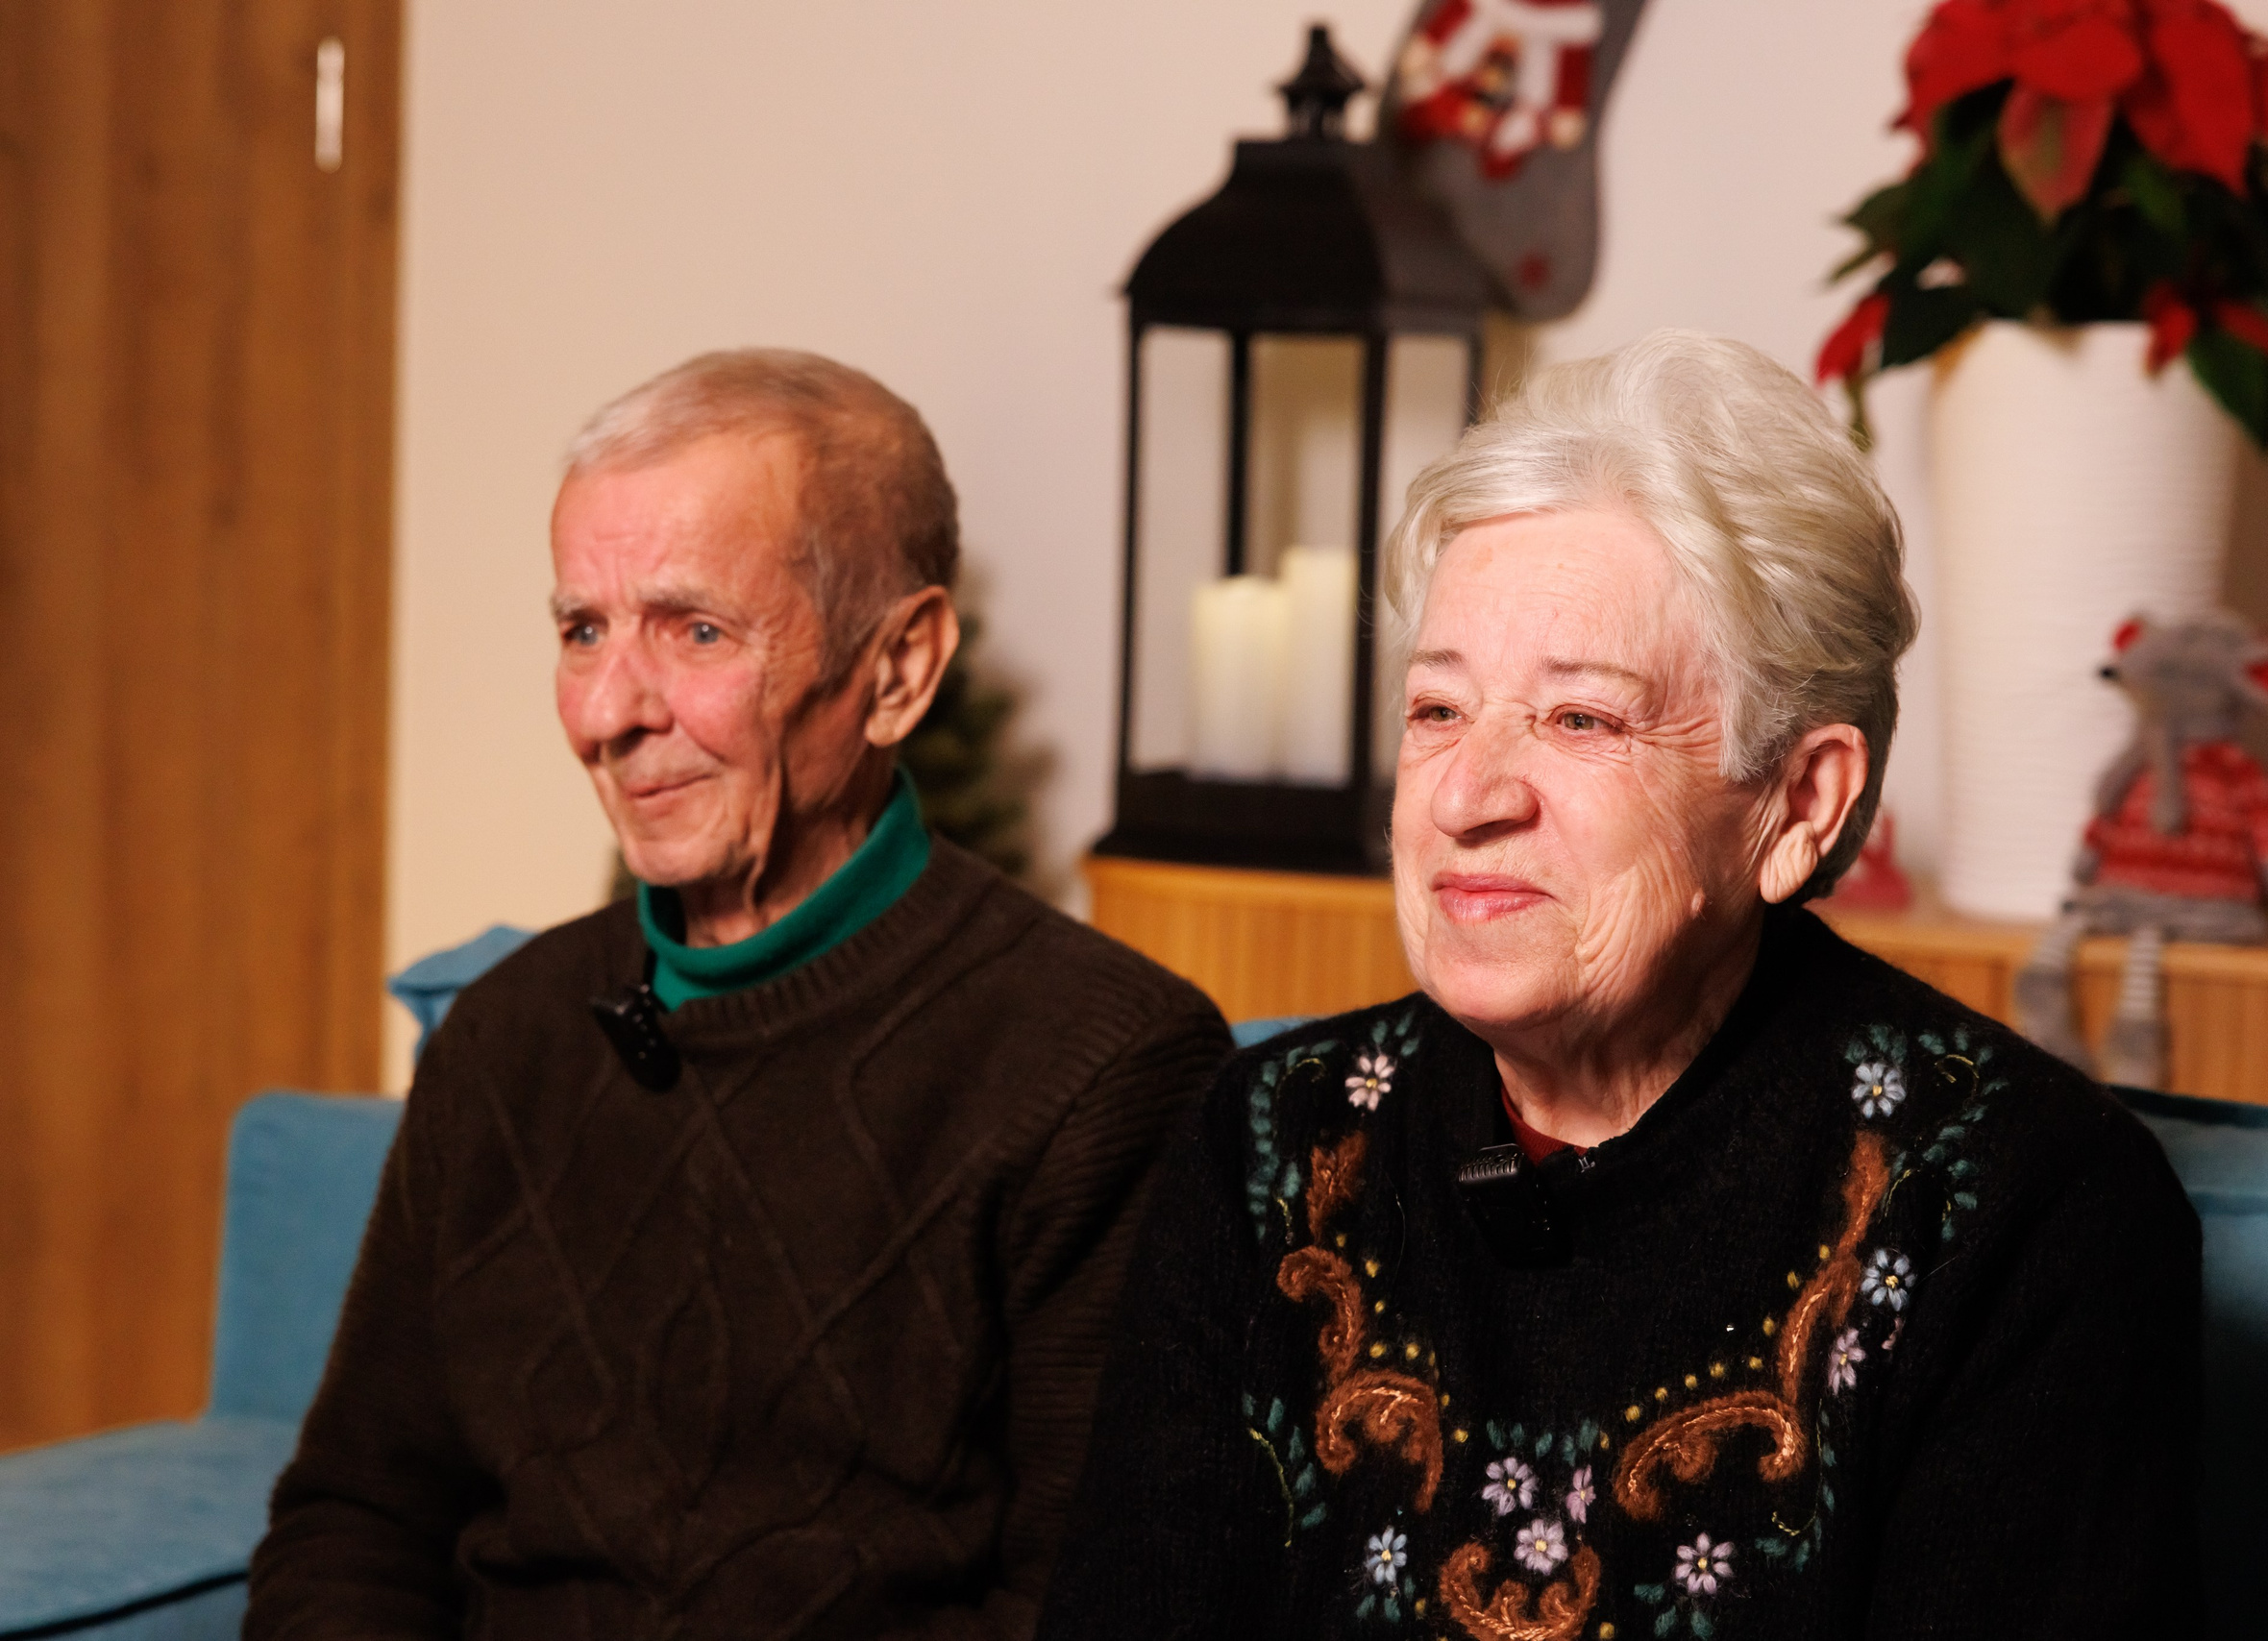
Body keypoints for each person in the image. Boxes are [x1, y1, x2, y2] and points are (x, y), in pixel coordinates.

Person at [1037, 331, 2200, 1640]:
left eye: (1581, 719)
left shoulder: (2019, 1206)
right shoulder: (1273, 1142)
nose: (1467, 799)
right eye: (1437, 711)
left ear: (1798, 804)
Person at [246, 350, 1230, 1638]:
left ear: (899, 669)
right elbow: (355, 1521)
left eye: (696, 630)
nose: (609, 715)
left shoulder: (1103, 1067)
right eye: (583, 631)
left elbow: (1089, 1608)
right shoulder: (506, 1037)